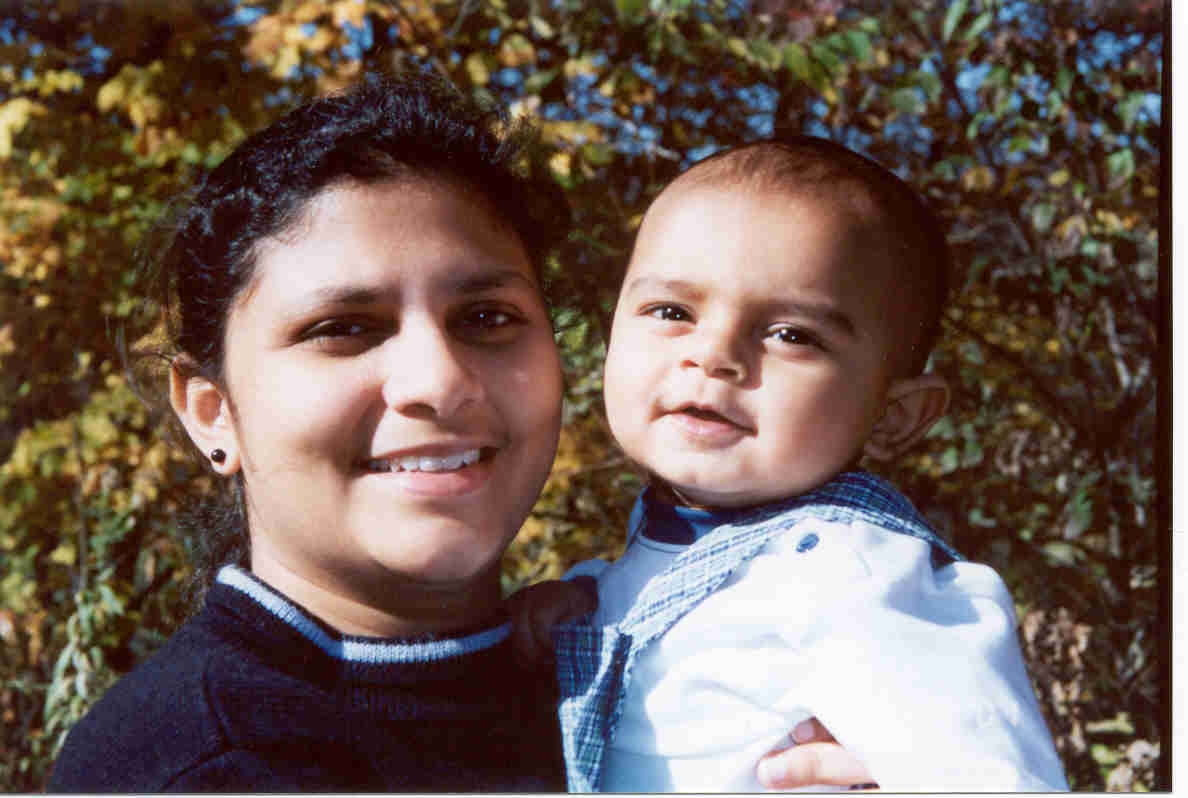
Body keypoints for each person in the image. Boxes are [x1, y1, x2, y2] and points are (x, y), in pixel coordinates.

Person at [48, 72, 572, 791]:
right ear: (212, 412)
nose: (439, 379)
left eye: (487, 318)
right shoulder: (204, 764)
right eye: (344, 329)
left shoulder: (664, 672)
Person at [515, 137, 1070, 792]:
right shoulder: (631, 573)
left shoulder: (857, 575)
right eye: (671, 312)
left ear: (894, 415)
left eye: (791, 335)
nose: (714, 354)